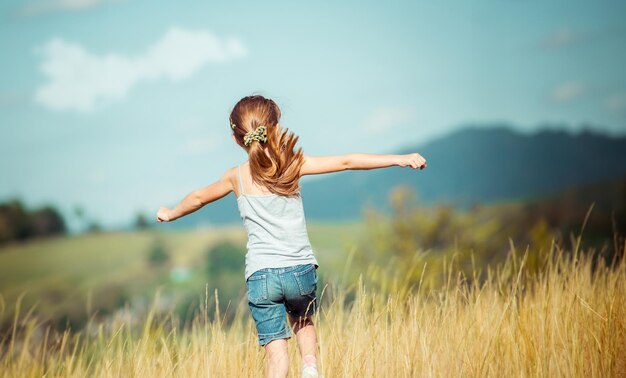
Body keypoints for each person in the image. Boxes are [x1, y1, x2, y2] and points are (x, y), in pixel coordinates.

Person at [156, 95, 427, 378]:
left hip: (261, 276)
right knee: (302, 321)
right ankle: (310, 368)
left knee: (276, 354)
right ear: (274, 128)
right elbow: (347, 161)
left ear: (238, 139)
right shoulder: (292, 164)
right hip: (299, 269)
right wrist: (400, 159)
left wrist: (171, 212)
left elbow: (199, 197)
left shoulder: (235, 176)